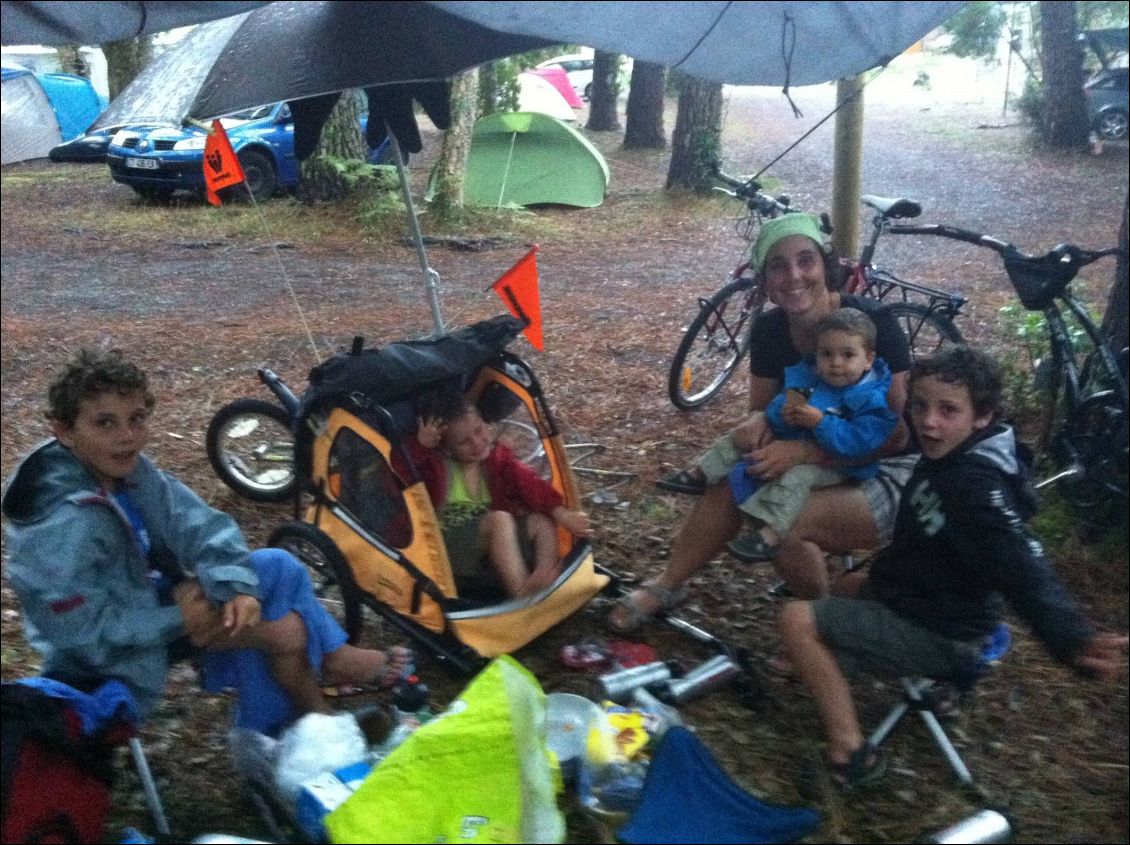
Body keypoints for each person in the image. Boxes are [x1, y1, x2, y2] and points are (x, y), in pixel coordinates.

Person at [2, 348, 413, 736]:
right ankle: (302, 717)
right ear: (64, 431)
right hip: (110, 655)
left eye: (136, 419)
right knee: (286, 631)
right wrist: (178, 618)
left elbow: (200, 525)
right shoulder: (56, 523)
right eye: (104, 423)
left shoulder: (129, 471)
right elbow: (80, 637)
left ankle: (310, 716)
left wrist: (234, 586)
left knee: (277, 568)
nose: (127, 436)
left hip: (160, 603)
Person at [778, 346, 1128, 788]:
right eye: (920, 406)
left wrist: (1070, 637)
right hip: (925, 598)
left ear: (981, 416)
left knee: (796, 618)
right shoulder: (951, 454)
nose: (928, 421)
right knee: (847, 586)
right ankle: (851, 671)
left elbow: (1021, 565)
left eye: (948, 410)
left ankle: (851, 755)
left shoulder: (974, 489)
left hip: (941, 631)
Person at [609, 213, 915, 632]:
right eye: (778, 265)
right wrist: (755, 426)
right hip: (816, 447)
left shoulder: (871, 324)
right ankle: (668, 584)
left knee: (782, 518)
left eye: (805, 260)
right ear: (764, 279)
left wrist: (805, 451)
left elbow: (896, 435)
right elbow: (761, 408)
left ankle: (822, 621)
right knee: (741, 473)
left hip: (886, 464)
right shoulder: (772, 330)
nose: (793, 276)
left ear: (826, 265)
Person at [698, 307, 897, 562]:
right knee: (740, 439)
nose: (835, 363)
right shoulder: (812, 378)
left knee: (798, 477)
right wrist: (784, 414)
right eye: (827, 354)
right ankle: (701, 473)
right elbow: (780, 412)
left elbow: (859, 443)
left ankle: (770, 533)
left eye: (847, 355)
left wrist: (820, 423)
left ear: (868, 359)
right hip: (801, 445)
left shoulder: (871, 398)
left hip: (845, 467)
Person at [404, 396, 593, 598]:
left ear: (486, 423)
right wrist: (419, 447)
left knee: (541, 520)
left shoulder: (497, 460)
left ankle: (544, 575)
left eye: (478, 431)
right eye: (463, 442)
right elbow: (397, 477)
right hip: (447, 546)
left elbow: (529, 483)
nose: (477, 443)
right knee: (500, 519)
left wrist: (562, 514)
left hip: (487, 541)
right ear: (446, 447)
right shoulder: (434, 466)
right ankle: (521, 593)